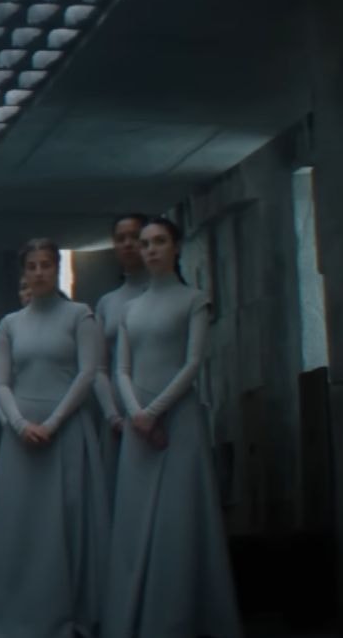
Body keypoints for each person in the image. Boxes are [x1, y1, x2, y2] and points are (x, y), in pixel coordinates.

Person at [102, 217, 241, 638]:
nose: (150, 249)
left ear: (176, 247)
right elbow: (120, 368)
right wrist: (137, 415)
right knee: (134, 522)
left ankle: (181, 619)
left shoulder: (194, 300)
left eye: (160, 241)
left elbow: (193, 363)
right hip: (139, 427)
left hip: (180, 425)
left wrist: (154, 412)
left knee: (180, 521)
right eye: (145, 244)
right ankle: (135, 618)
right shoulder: (128, 309)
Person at [0, 239, 109, 638]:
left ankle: (72, 612)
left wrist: (52, 423)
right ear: (24, 273)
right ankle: (18, 610)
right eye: (31, 266)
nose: (38, 272)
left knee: (66, 522)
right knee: (22, 526)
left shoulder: (80, 315)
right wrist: (19, 425)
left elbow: (88, 373)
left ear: (55, 268)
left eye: (45, 265)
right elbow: (1, 384)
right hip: (22, 437)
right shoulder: (10, 324)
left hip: (65, 431)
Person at [91, 213, 152, 490]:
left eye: (135, 237)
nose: (128, 244)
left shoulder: (172, 295)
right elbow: (99, 367)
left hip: (157, 401)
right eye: (120, 239)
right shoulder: (107, 303)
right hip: (118, 412)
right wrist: (112, 416)